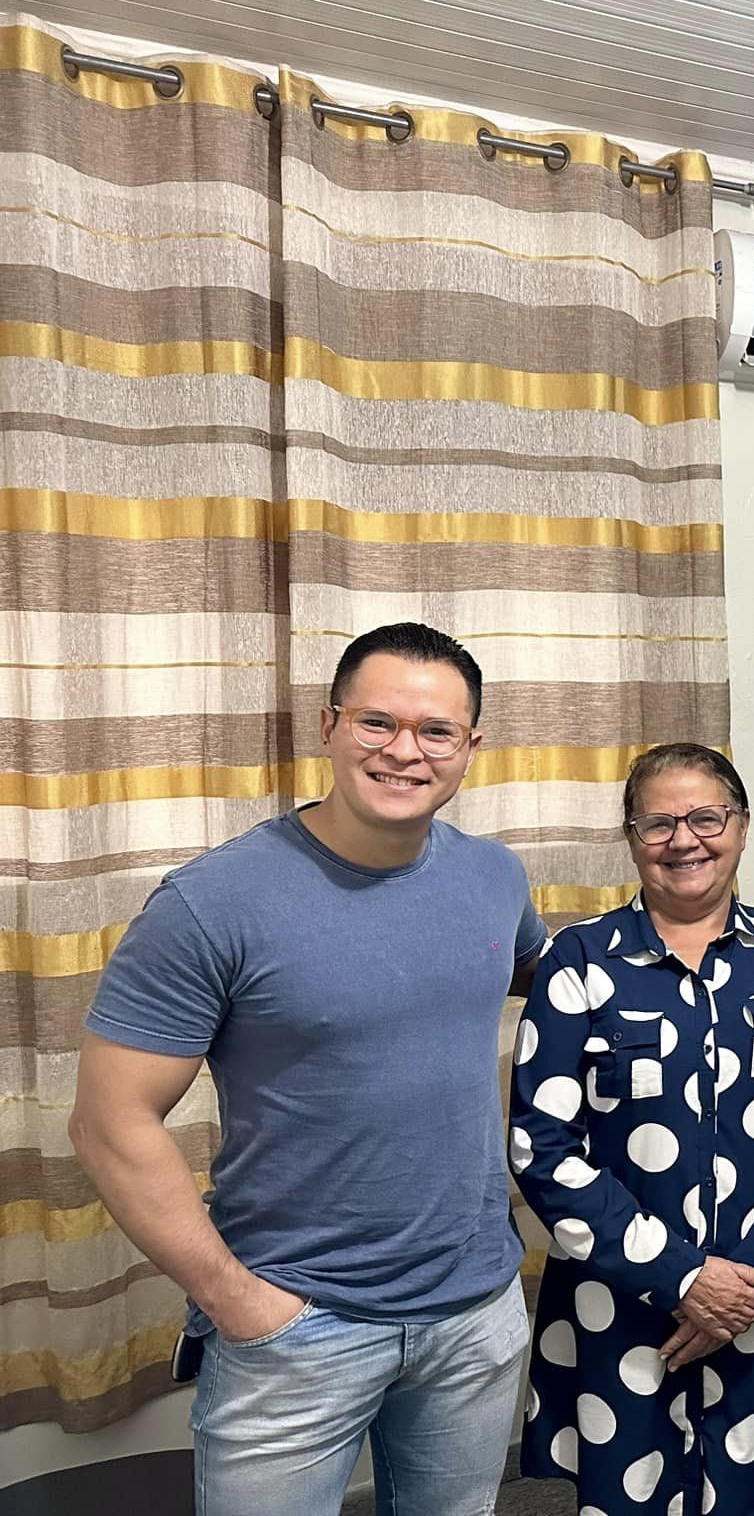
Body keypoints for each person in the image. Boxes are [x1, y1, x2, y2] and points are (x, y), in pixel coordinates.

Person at [71, 623, 546, 1516]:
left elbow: (544, 976)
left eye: (437, 731)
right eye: (377, 722)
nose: (406, 751)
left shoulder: (495, 878)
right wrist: (239, 1303)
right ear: (329, 724)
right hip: (294, 1327)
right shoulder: (213, 904)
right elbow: (107, 1124)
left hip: (475, 1309)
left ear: (471, 748)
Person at [512, 743, 754, 1516]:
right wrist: (681, 1279)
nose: (685, 840)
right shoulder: (579, 962)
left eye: (707, 817)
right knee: (629, 1496)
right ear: (631, 837)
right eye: (658, 823)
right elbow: (540, 1150)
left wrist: (746, 1280)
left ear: (741, 826)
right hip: (626, 1307)